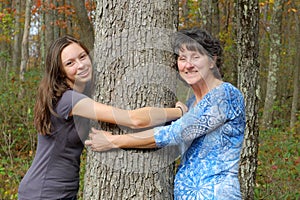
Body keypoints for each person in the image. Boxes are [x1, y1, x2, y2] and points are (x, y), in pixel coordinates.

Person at [18, 35, 187, 200]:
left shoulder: (80, 94)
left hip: (60, 190)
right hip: (45, 192)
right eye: (70, 63)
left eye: (82, 57)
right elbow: (134, 119)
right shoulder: (69, 99)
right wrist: (178, 112)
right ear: (60, 71)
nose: (81, 65)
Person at [85, 28, 246, 199]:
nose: (188, 65)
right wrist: (178, 111)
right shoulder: (192, 103)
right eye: (182, 58)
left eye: (196, 57)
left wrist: (113, 140)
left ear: (212, 61)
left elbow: (173, 133)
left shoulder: (225, 94)